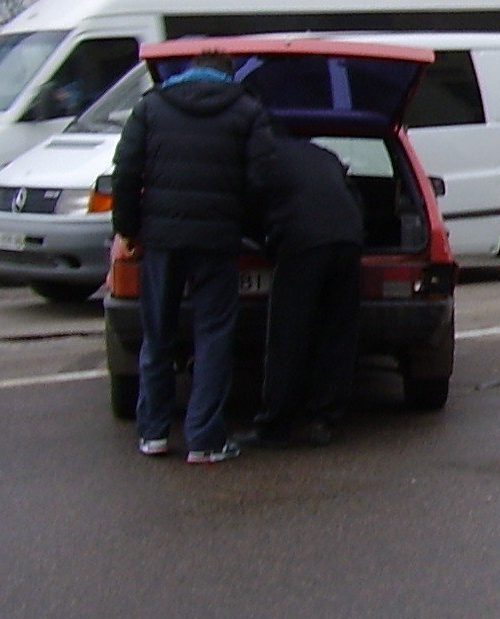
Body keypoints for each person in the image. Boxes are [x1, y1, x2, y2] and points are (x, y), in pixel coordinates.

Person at [111, 51, 276, 465]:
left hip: (162, 239)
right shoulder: (246, 109)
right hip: (218, 240)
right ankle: (204, 439)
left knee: (158, 333)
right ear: (228, 74)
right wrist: (251, 229)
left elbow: (126, 172)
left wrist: (129, 229)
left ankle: (154, 432)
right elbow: (261, 179)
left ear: (186, 73)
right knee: (214, 335)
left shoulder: (150, 107)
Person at [240, 135, 363, 448]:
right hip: (349, 238)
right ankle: (324, 419)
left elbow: (249, 207)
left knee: (288, 334)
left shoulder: (260, 156)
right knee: (338, 332)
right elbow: (352, 195)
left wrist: (267, 243)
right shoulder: (323, 155)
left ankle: (275, 425)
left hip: (305, 242)